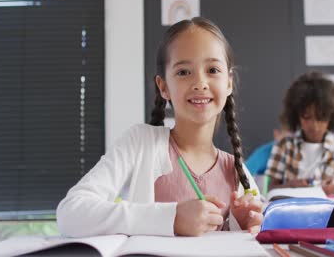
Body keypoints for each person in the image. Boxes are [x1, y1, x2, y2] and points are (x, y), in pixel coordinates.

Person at [56, 17, 263, 238]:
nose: (200, 82)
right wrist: (171, 219)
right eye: (183, 72)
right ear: (163, 86)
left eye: (212, 70)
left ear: (229, 82)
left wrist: (239, 225)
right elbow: (71, 214)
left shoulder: (238, 173)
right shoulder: (140, 143)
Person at [265, 72, 334, 195]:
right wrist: (292, 185)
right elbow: (271, 189)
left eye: (321, 118)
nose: (314, 125)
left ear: (332, 117)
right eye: (307, 117)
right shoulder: (283, 146)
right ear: (297, 116)